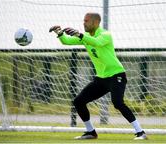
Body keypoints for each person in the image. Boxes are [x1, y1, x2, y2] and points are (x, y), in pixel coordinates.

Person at [49, 12, 147, 140]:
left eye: (86, 21)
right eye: (83, 21)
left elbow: (97, 43)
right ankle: (91, 132)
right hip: (101, 79)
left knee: (117, 103)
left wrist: (80, 34)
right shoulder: (85, 37)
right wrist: (59, 32)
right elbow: (66, 42)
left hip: (116, 75)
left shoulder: (105, 35)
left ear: (95, 23)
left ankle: (141, 132)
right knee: (78, 101)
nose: (83, 23)